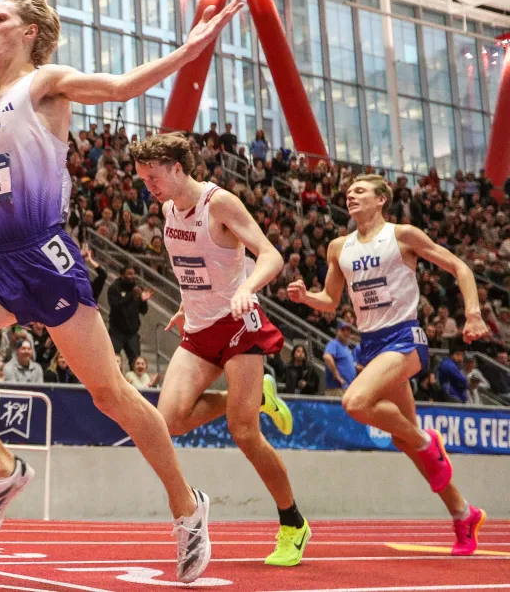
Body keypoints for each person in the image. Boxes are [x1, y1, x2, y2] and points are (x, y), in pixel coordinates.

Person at [0, 0, 242, 582]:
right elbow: (7, 164)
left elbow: (119, 88)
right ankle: (4, 469)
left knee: (112, 397)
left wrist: (187, 51)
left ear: (30, 32)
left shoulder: (47, 81)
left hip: (46, 258)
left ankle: (187, 507)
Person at [287, 173, 490, 556]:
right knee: (405, 440)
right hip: (371, 345)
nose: (350, 196)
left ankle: (426, 441)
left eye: (360, 191)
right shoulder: (337, 247)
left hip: (405, 338)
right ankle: (464, 513)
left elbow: (460, 268)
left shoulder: (403, 235)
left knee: (355, 402)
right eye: (348, 193)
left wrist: (474, 313)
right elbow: (330, 302)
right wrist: (305, 297)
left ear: (382, 200)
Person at [132, 132, 308, 567]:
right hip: (197, 326)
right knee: (168, 421)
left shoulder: (221, 203)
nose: (148, 186)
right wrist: (183, 305)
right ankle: (252, 397)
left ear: (178, 167)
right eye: (143, 179)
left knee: (244, 432)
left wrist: (248, 286)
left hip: (238, 325)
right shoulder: (168, 207)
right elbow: (193, 267)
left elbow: (270, 256)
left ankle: (293, 524)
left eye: (153, 177)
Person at [322, 323, 358, 397]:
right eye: (343, 330)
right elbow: (327, 357)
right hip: (337, 388)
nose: (346, 332)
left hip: (347, 388)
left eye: (348, 331)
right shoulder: (334, 344)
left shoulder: (346, 348)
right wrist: (336, 374)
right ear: (337, 331)